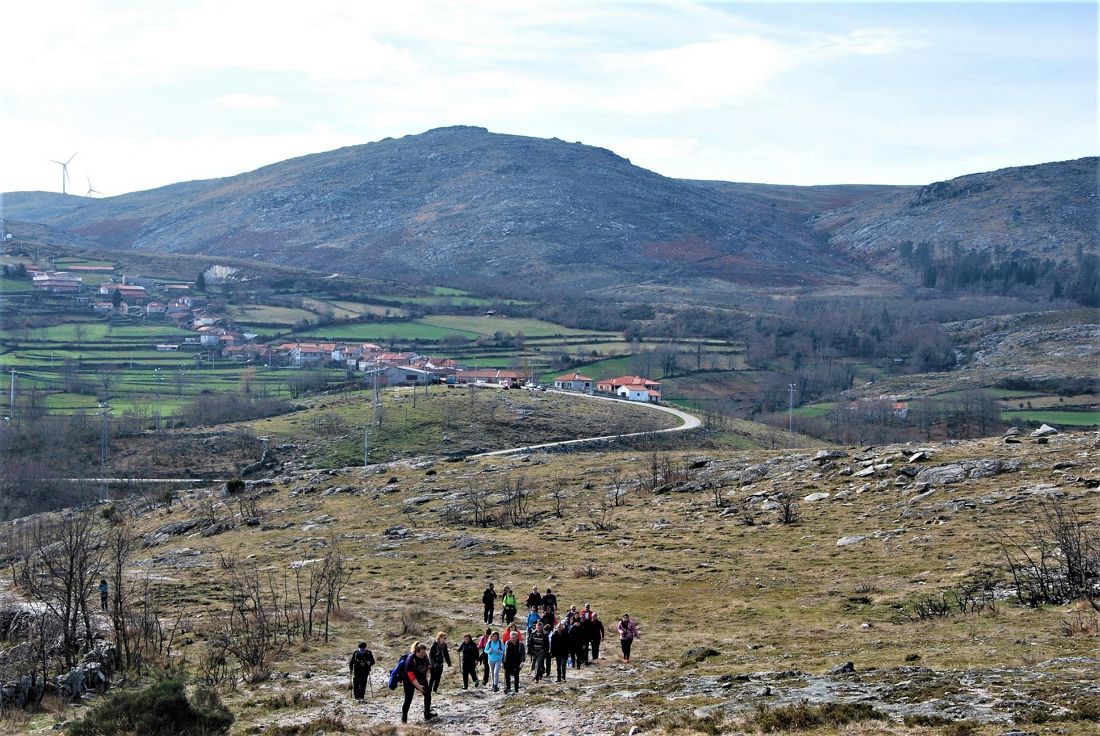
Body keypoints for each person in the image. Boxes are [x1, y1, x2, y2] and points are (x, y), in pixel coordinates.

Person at [401, 642, 436, 724]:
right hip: (409, 681)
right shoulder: (411, 659)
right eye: (422, 653)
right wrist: (418, 686)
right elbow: (411, 675)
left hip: (421, 679)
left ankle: (427, 715)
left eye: (425, 652)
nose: (424, 654)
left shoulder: (425, 656)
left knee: (428, 694)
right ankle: (404, 718)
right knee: (408, 699)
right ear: (417, 651)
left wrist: (426, 677)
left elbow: (427, 666)